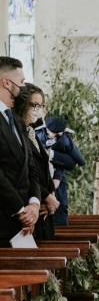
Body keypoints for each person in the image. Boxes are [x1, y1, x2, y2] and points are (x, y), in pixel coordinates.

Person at [0, 56, 41, 247]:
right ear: (7, 83)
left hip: (23, 224)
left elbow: (31, 167)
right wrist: (20, 210)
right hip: (5, 217)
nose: (23, 87)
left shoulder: (16, 120)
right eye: (22, 82)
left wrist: (34, 203)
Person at [13, 83, 59, 240]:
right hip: (29, 206)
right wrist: (45, 196)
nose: (37, 110)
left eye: (40, 105)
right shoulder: (17, 132)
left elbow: (43, 169)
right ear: (22, 104)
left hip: (44, 209)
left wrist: (51, 195)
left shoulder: (31, 131)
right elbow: (23, 171)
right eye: (33, 105)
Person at [36, 115, 85, 225]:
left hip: (59, 194)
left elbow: (73, 162)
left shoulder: (65, 141)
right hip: (37, 192)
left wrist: (52, 155)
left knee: (60, 225)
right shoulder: (36, 135)